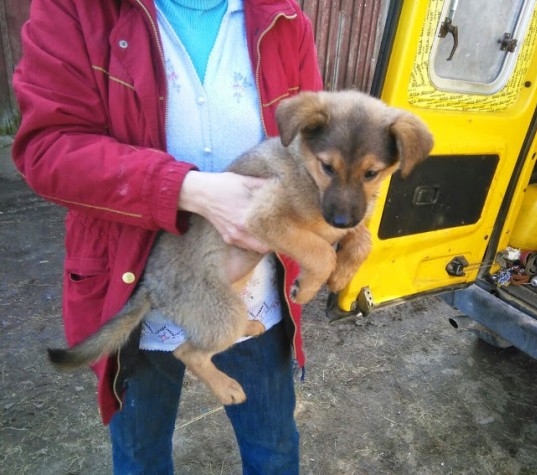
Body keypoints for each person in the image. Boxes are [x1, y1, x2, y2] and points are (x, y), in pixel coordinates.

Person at [12, 0, 322, 473]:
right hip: (136, 278)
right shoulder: (77, 9)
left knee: (275, 450)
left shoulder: (283, 16)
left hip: (258, 290)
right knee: (142, 458)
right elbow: (47, 149)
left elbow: (317, 143)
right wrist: (189, 189)